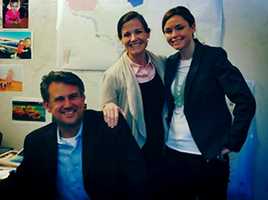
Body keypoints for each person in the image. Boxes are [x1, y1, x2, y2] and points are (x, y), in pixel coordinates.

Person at [0, 71, 146, 200]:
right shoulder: (36, 141)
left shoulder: (110, 127)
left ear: (83, 99)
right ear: (47, 106)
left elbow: (136, 179)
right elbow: (22, 182)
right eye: (59, 99)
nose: (68, 104)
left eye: (73, 96)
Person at [161, 6, 256, 200]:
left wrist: (232, 142)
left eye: (179, 28)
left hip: (207, 155)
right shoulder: (170, 63)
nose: (174, 34)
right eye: (168, 31)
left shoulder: (213, 57)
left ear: (193, 27)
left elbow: (245, 100)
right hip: (173, 152)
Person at [101, 11, 166, 199]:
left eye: (138, 32)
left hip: (163, 147)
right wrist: (109, 107)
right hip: (133, 152)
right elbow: (107, 107)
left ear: (148, 34)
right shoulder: (112, 75)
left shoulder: (162, 64)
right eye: (127, 34)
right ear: (120, 39)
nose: (133, 38)